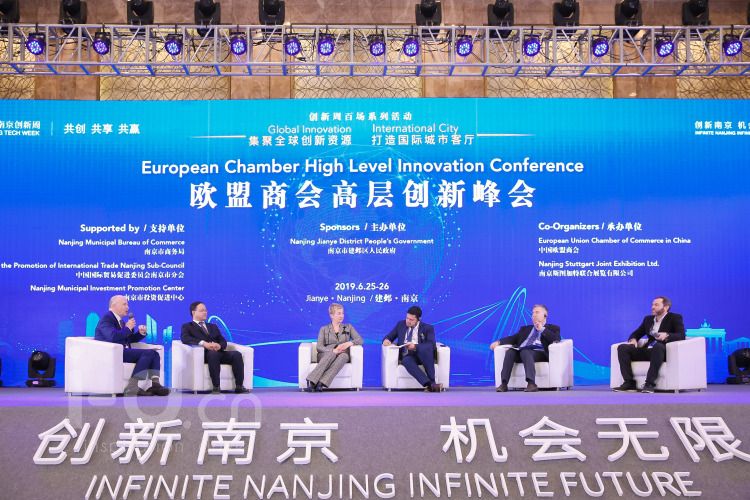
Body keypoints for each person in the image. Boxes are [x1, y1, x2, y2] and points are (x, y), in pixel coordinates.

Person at [94, 295, 169, 396]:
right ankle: (132, 386)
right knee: (149, 353)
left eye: (127, 304)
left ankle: (155, 384)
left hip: (121, 351)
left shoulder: (120, 321)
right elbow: (112, 337)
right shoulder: (107, 318)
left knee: (154, 353)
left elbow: (127, 339)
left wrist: (140, 333)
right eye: (124, 304)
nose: (127, 307)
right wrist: (128, 328)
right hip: (111, 353)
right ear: (114, 305)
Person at [614, 296, 685, 393]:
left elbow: (681, 335)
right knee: (623, 348)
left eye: (656, 305)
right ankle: (629, 383)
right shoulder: (648, 319)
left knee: (658, 346)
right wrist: (633, 339)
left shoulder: (674, 318)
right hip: (649, 351)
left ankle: (649, 384)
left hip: (663, 351)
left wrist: (667, 335)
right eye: (652, 305)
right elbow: (637, 333)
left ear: (666, 307)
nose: (652, 307)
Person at [180, 301, 250, 394]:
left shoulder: (213, 326)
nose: (205, 312)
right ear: (193, 312)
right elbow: (185, 338)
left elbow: (222, 340)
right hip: (203, 355)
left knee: (236, 354)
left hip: (219, 352)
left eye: (205, 310)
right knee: (213, 354)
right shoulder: (187, 326)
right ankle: (216, 386)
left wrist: (219, 345)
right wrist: (203, 343)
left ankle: (239, 386)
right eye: (202, 310)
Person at [490, 304, 560, 392]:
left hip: (539, 352)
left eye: (537, 312)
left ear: (545, 315)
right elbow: (514, 338)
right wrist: (499, 342)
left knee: (525, 351)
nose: (534, 315)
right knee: (510, 352)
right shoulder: (525, 329)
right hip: (522, 351)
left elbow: (555, 338)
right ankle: (504, 384)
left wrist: (542, 329)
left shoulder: (553, 328)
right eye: (533, 313)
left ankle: (531, 384)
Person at [305, 303, 363, 392]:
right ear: (331, 315)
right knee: (331, 354)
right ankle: (311, 380)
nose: (341, 316)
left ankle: (321, 382)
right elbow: (319, 347)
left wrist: (349, 343)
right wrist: (333, 350)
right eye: (339, 313)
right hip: (325, 354)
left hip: (342, 354)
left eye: (342, 313)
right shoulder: (324, 329)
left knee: (344, 356)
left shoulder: (348, 327)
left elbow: (360, 340)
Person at [383, 305, 442, 392]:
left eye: (411, 320)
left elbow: (431, 345)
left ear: (419, 319)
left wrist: (415, 346)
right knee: (406, 360)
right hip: (408, 355)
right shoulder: (400, 325)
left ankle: (432, 381)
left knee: (427, 350)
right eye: (407, 318)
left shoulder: (428, 328)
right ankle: (429, 385)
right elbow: (389, 337)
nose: (408, 321)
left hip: (422, 354)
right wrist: (386, 340)